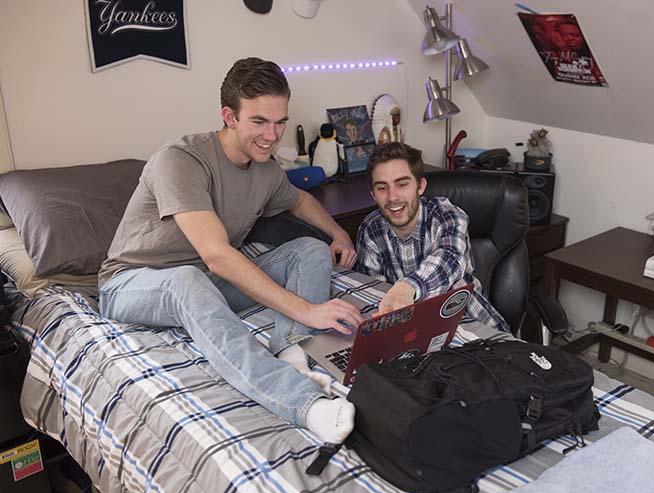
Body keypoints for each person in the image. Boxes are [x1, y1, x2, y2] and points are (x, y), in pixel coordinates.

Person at [98, 57, 361, 444]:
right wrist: (307, 309)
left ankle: (291, 353)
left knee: (309, 248)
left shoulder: (266, 169)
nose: (272, 135)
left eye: (280, 122)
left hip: (207, 282)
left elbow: (299, 201)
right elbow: (217, 256)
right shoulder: (181, 160)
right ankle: (304, 403)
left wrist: (338, 233)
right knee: (186, 280)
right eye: (259, 121)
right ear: (230, 116)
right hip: (132, 283)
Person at [354, 142, 510, 333]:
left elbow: (450, 259)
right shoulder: (370, 229)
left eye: (402, 184)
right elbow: (377, 295)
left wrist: (406, 288)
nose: (392, 197)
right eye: (382, 188)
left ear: (420, 186)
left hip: (477, 331)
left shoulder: (448, 216)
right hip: (417, 338)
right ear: (373, 195)